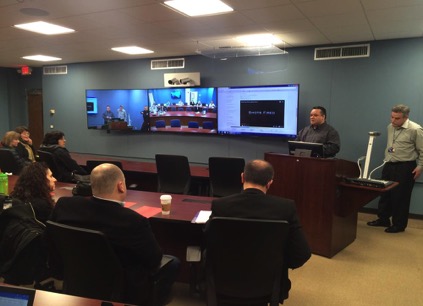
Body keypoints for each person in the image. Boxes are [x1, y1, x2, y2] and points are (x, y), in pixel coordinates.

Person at [48, 163, 180, 305]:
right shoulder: (133, 221)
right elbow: (154, 259)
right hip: (123, 290)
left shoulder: (65, 206)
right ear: (121, 186)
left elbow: (49, 240)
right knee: (173, 262)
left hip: (75, 280)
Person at [208, 159, 311, 304]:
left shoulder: (220, 206)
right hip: (267, 284)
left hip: (223, 281)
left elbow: (207, 241)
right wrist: (278, 263)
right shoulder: (285, 208)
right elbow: (302, 253)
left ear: (242, 177)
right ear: (270, 183)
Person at [367, 104, 423, 233]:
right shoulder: (390, 127)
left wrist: (420, 167)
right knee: (385, 194)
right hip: (389, 164)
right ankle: (383, 219)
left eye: (397, 118)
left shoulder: (415, 129)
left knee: (401, 197)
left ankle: (399, 224)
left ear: (406, 117)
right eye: (392, 117)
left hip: (405, 166)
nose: (393, 121)